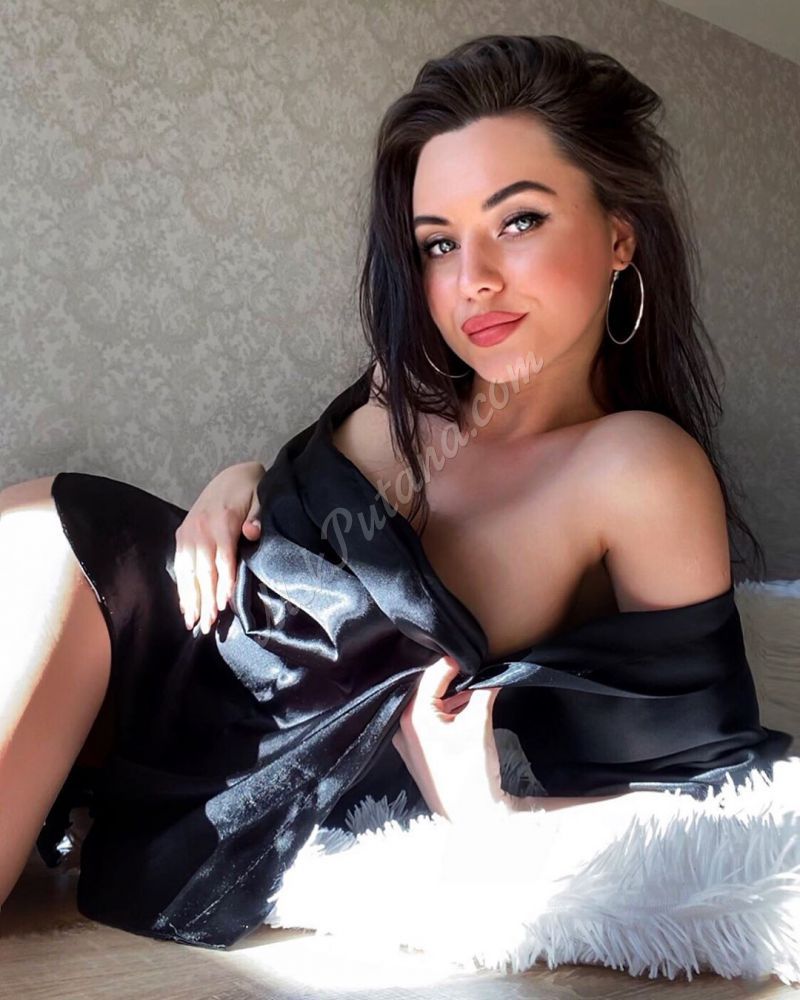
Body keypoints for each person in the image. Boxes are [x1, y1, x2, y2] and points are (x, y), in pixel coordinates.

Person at [0, 34, 789, 947]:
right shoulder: (402, 388)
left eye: (519, 221)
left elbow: (718, 800)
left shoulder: (637, 467)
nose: (473, 279)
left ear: (620, 234)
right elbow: (290, 549)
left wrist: (492, 814)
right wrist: (236, 481)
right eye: (438, 243)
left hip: (202, 749)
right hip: (119, 613)